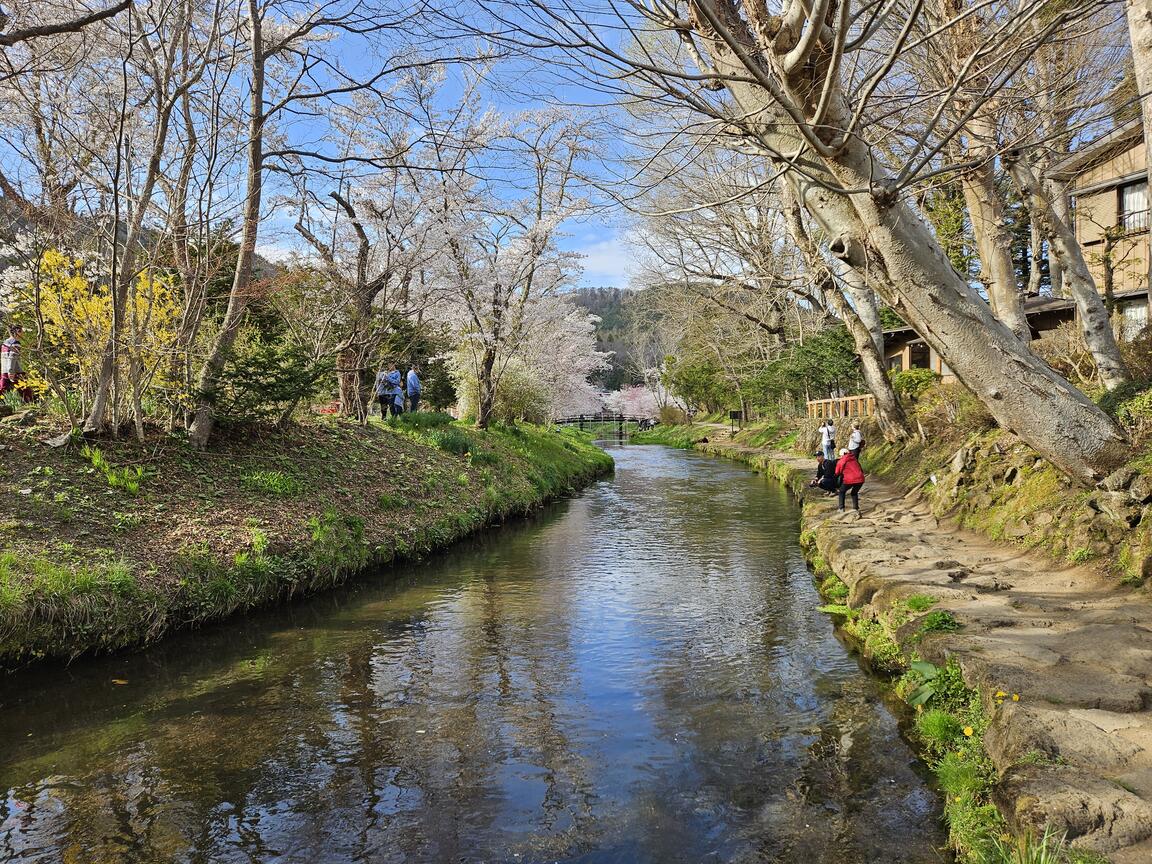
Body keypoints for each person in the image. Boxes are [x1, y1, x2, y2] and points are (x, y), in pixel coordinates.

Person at [0, 324, 31, 403]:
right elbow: (11, 358)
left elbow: (4, 357)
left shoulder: (5, 342)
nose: (22, 333)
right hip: (14, 371)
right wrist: (11, 371)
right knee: (25, 388)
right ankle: (29, 403)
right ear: (16, 332)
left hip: (4, 370)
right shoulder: (16, 343)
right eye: (20, 331)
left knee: (2, 389)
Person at [834, 447, 865, 512]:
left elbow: (837, 472)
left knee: (841, 491)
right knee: (854, 492)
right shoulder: (854, 459)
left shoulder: (842, 461)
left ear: (842, 454)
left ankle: (841, 508)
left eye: (840, 455)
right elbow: (860, 469)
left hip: (849, 480)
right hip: (860, 479)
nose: (840, 456)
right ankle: (855, 508)